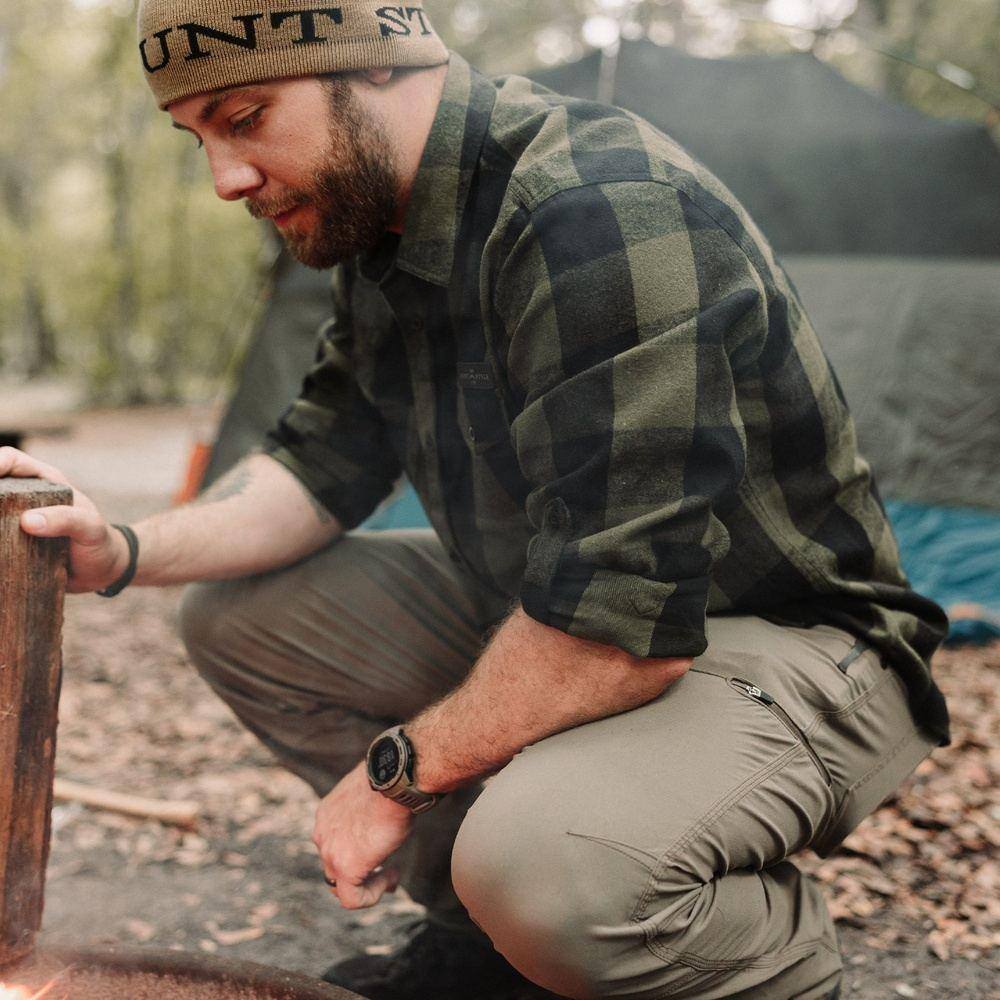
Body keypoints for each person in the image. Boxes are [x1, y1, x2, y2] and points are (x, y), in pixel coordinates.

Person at [2, 2, 951, 997]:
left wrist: (394, 774)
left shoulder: (590, 206)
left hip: (794, 637)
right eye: (198, 139)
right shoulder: (388, 228)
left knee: (553, 871)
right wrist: (125, 549)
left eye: (246, 118)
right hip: (573, 611)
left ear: (379, 63)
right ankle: (492, 948)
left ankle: (755, 963)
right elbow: (314, 464)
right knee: (241, 618)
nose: (225, 179)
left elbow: (622, 628)